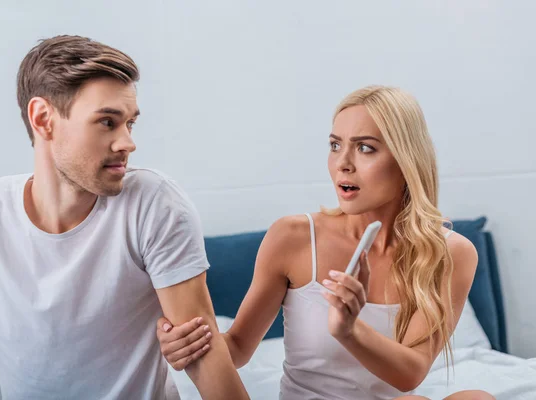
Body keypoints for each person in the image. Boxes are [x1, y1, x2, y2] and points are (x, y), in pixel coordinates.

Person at [0, 35, 249, 400]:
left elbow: (205, 358)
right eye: (106, 122)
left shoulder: (153, 205)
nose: (128, 142)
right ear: (43, 119)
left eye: (129, 123)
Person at [156, 86, 495, 400]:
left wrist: (349, 330)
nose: (342, 164)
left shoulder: (451, 253)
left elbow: (410, 374)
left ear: (407, 160)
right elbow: (239, 348)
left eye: (365, 148)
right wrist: (185, 348)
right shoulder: (292, 237)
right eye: (335, 145)